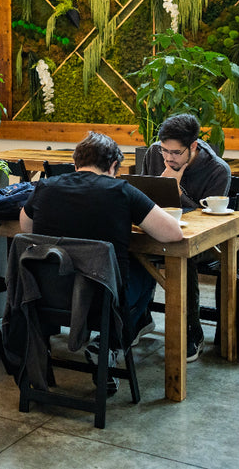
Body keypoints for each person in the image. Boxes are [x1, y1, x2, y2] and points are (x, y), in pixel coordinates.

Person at [19, 132, 183, 346]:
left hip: (47, 295)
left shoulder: (44, 187)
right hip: (102, 301)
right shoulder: (122, 191)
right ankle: (112, 343)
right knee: (145, 270)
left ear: (76, 163)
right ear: (113, 165)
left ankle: (112, 340)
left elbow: (26, 229)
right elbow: (173, 233)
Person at [143, 113, 231, 361]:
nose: (169, 158)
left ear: (193, 146)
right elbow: (142, 197)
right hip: (156, 232)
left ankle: (192, 329)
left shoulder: (217, 170)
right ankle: (137, 318)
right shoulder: (154, 154)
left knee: (184, 254)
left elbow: (209, 222)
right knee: (125, 246)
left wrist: (176, 191)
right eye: (164, 151)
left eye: (176, 153)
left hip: (201, 241)